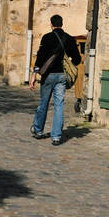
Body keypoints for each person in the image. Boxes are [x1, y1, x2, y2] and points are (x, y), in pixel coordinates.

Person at [29, 14, 82, 147]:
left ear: (51, 24)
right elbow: (77, 59)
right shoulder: (69, 39)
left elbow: (40, 57)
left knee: (44, 103)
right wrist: (68, 61)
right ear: (62, 24)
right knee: (59, 105)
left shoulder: (47, 38)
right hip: (62, 76)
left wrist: (34, 74)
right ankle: (56, 136)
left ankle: (38, 130)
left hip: (48, 75)